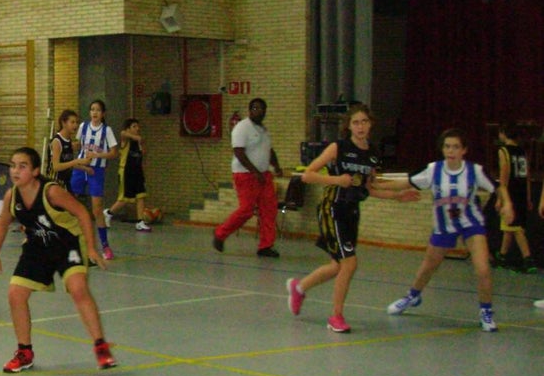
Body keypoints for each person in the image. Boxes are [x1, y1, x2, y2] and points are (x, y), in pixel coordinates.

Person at [285, 103, 419, 333]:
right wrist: (336, 180)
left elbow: (372, 187)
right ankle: (335, 316)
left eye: (364, 122)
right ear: (349, 126)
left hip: (351, 211)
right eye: (356, 122)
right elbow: (307, 175)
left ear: (370, 124)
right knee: (350, 262)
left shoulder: (373, 154)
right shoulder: (338, 147)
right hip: (332, 208)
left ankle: (299, 287)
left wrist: (398, 196)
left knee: (338, 265)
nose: (360, 126)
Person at [0, 146, 116, 373]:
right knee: (15, 295)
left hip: (67, 244)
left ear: (35, 171)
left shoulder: (51, 192)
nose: (15, 171)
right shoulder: (12, 196)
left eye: (22, 166)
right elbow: (1, 224)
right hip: (37, 248)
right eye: (13, 165)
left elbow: (83, 213)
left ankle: (101, 346)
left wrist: (93, 248)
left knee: (78, 288)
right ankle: (24, 352)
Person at [377, 129, 511, 331]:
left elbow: (499, 187)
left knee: (483, 269)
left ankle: (486, 311)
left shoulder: (474, 171)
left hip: (470, 224)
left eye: (456, 146)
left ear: (464, 150)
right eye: (447, 146)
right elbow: (405, 182)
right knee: (428, 266)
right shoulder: (433, 170)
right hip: (443, 226)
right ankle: (412, 297)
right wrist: (374, 183)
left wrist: (507, 203)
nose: (451, 150)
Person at [213, 98, 284, 257]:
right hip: (245, 175)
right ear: (250, 110)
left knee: (269, 210)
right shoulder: (242, 127)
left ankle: (266, 246)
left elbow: (269, 151)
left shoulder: (264, 130)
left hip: (264, 176)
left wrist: (276, 166)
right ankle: (220, 234)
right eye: (255, 108)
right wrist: (254, 172)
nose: (259, 111)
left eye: (262, 109)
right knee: (246, 209)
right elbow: (239, 152)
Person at [70, 99, 119, 259]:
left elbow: (113, 153)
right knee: (70, 203)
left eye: (98, 110)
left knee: (97, 209)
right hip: (80, 168)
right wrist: (68, 144)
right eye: (92, 109)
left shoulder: (107, 130)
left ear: (103, 113)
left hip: (96, 170)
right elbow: (77, 144)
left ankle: (105, 246)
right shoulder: (83, 127)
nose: (95, 113)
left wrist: (97, 155)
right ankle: (70, 242)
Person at [493, 123, 535, 273]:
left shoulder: (503, 151)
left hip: (510, 193)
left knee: (516, 229)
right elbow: (528, 176)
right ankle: (502, 257)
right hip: (522, 191)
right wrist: (529, 197)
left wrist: (500, 198)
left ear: (504, 133)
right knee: (508, 228)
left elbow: (504, 176)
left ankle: (528, 259)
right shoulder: (522, 151)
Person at [104, 118, 153, 232]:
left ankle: (140, 222)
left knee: (141, 196)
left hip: (137, 172)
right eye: (134, 126)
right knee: (124, 199)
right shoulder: (125, 139)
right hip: (126, 171)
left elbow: (143, 155)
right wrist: (136, 137)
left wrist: (142, 144)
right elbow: (122, 133)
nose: (137, 128)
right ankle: (108, 213)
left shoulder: (138, 142)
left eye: (138, 126)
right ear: (128, 128)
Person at [45, 108, 91, 187]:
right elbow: (56, 167)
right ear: (64, 123)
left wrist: (85, 168)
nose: (75, 125)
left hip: (66, 180)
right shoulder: (57, 141)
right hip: (55, 182)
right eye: (72, 122)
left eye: (77, 122)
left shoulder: (68, 140)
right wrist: (76, 161)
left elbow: (68, 162)